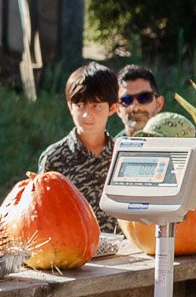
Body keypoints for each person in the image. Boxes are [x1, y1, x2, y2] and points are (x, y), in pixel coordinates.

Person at [37, 61, 118, 217]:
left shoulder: (122, 157)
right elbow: (43, 211)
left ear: (113, 108)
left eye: (96, 106)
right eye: (80, 105)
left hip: (119, 241)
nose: (87, 115)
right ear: (70, 106)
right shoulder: (54, 158)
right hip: (71, 240)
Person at [116, 63, 164, 137]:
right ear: (117, 109)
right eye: (126, 100)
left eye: (144, 98)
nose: (135, 107)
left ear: (159, 104)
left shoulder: (177, 146)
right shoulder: (112, 148)